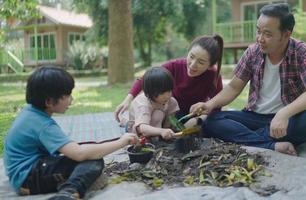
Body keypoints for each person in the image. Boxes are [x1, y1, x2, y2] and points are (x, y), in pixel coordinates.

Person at [191, 3, 306, 156]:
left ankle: (247, 137)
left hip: (289, 118)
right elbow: (234, 87)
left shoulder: (304, 52)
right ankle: (270, 144)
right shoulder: (253, 52)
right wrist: (209, 104)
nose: (260, 39)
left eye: (267, 34)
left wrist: (283, 114)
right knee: (213, 119)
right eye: (258, 31)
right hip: (255, 116)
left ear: (286, 34)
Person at [3, 66, 138, 200]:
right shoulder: (43, 125)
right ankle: (69, 193)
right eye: (67, 95)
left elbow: (71, 149)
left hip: (24, 174)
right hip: (28, 179)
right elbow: (79, 154)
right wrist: (121, 142)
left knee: (88, 151)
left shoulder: (31, 113)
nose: (71, 100)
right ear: (49, 101)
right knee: (93, 161)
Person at [115, 34, 224, 127]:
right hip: (170, 112)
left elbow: (217, 106)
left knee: (212, 127)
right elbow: (145, 78)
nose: (192, 64)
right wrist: (128, 100)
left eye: (201, 62)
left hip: (194, 116)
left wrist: (197, 120)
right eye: (191, 56)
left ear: (210, 66)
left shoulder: (213, 76)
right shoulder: (175, 66)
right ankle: (129, 124)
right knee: (154, 118)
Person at [119, 66, 179, 140]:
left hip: (157, 127)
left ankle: (158, 138)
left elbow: (170, 121)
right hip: (139, 132)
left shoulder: (171, 101)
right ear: (150, 92)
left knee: (167, 109)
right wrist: (161, 131)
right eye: (162, 93)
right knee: (158, 114)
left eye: (169, 91)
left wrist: (168, 132)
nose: (167, 96)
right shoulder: (143, 104)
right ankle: (127, 123)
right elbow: (143, 128)